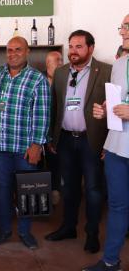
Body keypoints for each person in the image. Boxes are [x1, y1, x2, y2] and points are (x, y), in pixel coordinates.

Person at [45, 30, 111, 253]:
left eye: (79, 47)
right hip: (65, 139)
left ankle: (92, 234)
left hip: (91, 141)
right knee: (69, 188)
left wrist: (109, 143)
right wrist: (53, 137)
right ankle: (68, 227)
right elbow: (55, 107)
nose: (73, 51)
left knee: (93, 189)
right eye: (71, 46)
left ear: (91, 48)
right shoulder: (62, 73)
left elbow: (113, 108)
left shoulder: (106, 71)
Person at [0, 36, 51, 250]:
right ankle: (4, 230)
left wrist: (37, 145)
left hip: (25, 147)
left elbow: (42, 114)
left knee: (29, 189)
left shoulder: (37, 79)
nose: (12, 53)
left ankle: (25, 231)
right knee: (3, 188)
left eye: (18, 49)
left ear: (27, 51)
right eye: (9, 49)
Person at [83, 14, 129, 271]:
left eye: (127, 26)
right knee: (117, 205)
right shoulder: (121, 64)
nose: (122, 31)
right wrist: (105, 110)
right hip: (117, 147)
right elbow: (117, 101)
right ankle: (111, 261)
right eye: (122, 26)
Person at [43, 50, 64, 205]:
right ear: (48, 64)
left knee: (54, 160)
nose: (61, 63)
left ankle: (55, 191)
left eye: (62, 60)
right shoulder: (39, 80)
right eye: (58, 60)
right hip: (37, 129)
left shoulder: (64, 80)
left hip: (56, 130)